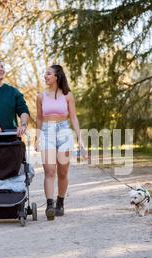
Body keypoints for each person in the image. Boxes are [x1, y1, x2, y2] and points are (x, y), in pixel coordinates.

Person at [34, 65, 87, 221]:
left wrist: (80, 140)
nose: (45, 76)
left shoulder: (68, 95)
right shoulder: (40, 96)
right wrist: (37, 138)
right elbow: (38, 118)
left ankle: (60, 202)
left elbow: (74, 118)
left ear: (57, 76)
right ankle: (50, 205)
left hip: (64, 132)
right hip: (46, 133)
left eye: (48, 73)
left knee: (62, 172)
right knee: (49, 170)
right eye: (45, 73)